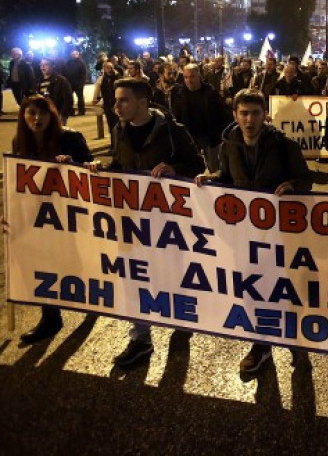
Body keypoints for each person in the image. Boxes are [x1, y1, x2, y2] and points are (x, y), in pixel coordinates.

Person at [87, 78, 205, 367]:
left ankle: (181, 319)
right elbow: (121, 165)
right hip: (131, 222)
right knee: (133, 277)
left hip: (168, 225)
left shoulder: (173, 131)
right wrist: (102, 170)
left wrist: (174, 169)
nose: (115, 106)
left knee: (173, 274)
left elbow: (198, 165)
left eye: (123, 100)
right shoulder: (120, 130)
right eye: (115, 100)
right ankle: (140, 338)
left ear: (143, 102)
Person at [196, 89, 312, 374]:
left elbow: (306, 179)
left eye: (255, 113)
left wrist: (292, 187)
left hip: (279, 235)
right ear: (235, 115)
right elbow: (226, 178)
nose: (249, 120)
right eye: (244, 113)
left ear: (265, 115)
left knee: (284, 290)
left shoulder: (284, 146)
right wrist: (207, 179)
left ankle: (295, 340)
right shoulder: (228, 146)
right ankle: (261, 345)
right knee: (251, 290)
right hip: (245, 236)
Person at [12, 95, 93, 344]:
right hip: (38, 215)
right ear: (23, 116)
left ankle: (94, 298)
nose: (37, 119)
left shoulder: (69, 138)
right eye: (31, 113)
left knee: (74, 260)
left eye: (43, 114)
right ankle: (50, 317)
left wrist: (73, 165)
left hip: (69, 213)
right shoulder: (20, 142)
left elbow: (93, 169)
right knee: (41, 263)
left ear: (52, 115)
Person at [170, 63, 233, 172]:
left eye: (192, 76)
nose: (189, 80)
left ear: (199, 75)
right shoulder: (180, 95)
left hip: (210, 137)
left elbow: (223, 115)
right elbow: (176, 117)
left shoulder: (211, 93)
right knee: (191, 167)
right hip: (190, 137)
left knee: (215, 168)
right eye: (186, 77)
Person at [36, 59, 75, 124]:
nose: (43, 67)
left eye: (45, 64)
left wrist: (63, 115)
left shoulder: (61, 81)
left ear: (52, 66)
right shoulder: (39, 82)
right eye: (41, 65)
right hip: (44, 114)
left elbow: (68, 99)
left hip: (57, 114)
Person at [62, 49, 89, 116]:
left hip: (78, 83)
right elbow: (65, 72)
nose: (75, 55)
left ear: (78, 54)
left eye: (76, 54)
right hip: (70, 83)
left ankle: (81, 111)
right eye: (73, 54)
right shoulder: (68, 62)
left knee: (80, 98)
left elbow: (84, 74)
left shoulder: (81, 63)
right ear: (71, 55)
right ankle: (71, 111)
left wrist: (82, 83)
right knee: (69, 98)